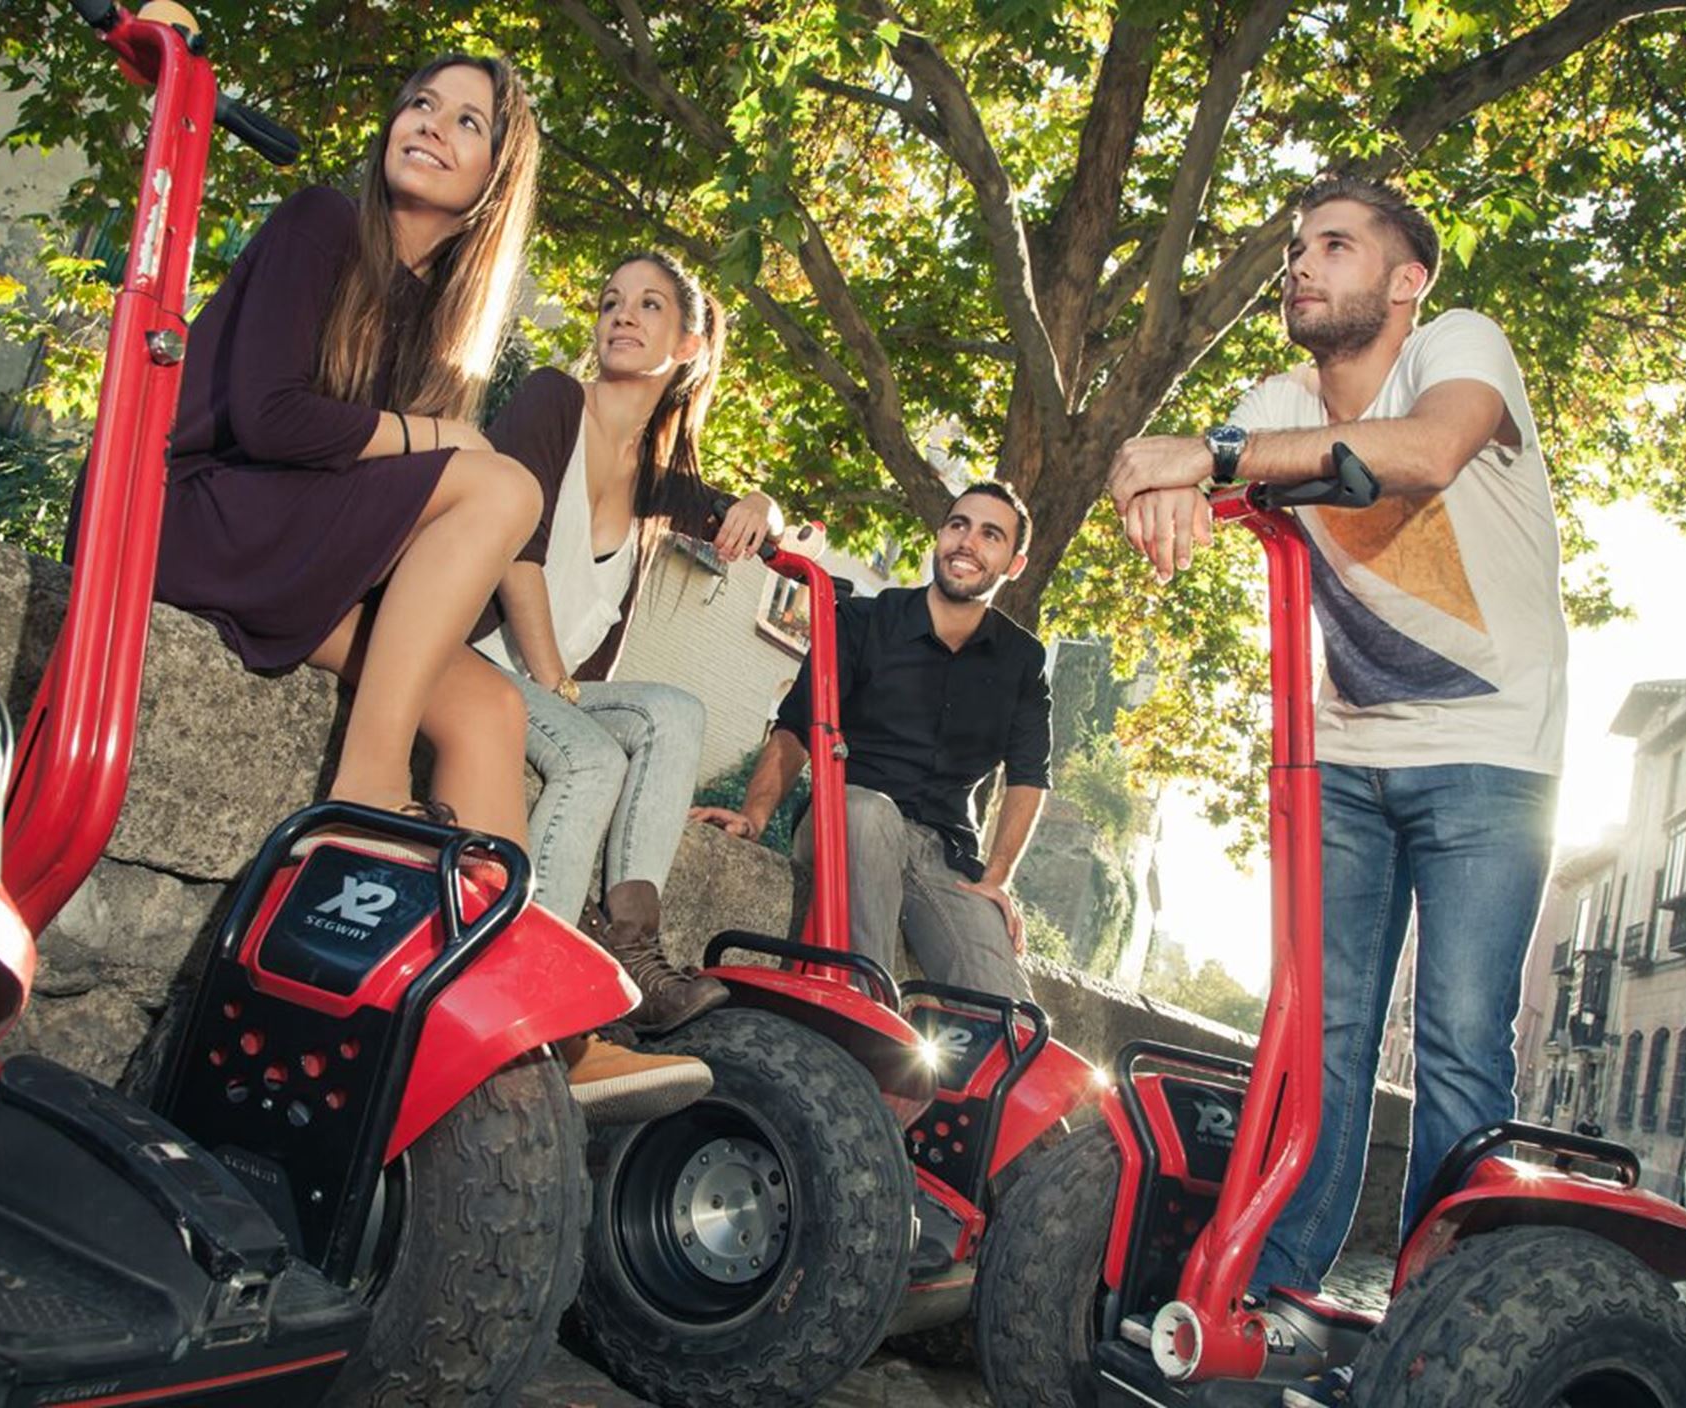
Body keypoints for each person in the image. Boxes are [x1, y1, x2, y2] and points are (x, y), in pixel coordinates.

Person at [147, 56, 706, 1120]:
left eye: (467, 121)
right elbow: (266, 418)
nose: (431, 126)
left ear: (496, 176)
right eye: (418, 104)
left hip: (294, 545)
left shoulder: (436, 319)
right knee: (496, 486)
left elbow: (386, 506)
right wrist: (436, 436)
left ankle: (530, 1020)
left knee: (489, 708)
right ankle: (362, 787)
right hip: (200, 515)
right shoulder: (322, 223)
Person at [1108, 173, 1566, 1401]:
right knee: (1323, 1030)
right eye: (1297, 246)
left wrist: (1201, 459)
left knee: (1465, 1042)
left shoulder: (1456, 349)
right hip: (1350, 757)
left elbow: (1419, 456)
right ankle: (1279, 1294)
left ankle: (1444, 1326)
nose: (1301, 264)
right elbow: (1156, 471)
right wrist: (1150, 485)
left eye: (1335, 246)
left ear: (1403, 280)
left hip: (1490, 751)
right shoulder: (1279, 400)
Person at [472, 251, 780, 1032]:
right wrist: (554, 682)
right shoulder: (550, 401)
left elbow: (736, 512)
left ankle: (632, 944)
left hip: (550, 690)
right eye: (612, 301)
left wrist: (766, 506)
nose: (622, 316)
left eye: (648, 306)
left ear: (688, 347)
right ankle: (530, 962)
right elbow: (514, 551)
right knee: (596, 756)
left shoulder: (653, 473)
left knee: (675, 710)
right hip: (477, 663)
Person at [692, 482, 1051, 1003]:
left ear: (1013, 564)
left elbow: (1028, 776)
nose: (967, 542)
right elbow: (795, 730)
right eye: (958, 525)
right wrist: (755, 814)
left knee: (1006, 1008)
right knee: (870, 814)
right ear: (939, 536)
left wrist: (997, 878)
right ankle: (867, 1014)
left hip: (943, 852)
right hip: (845, 819)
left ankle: (980, 1070)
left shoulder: (1023, 660)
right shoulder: (863, 623)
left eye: (990, 535)